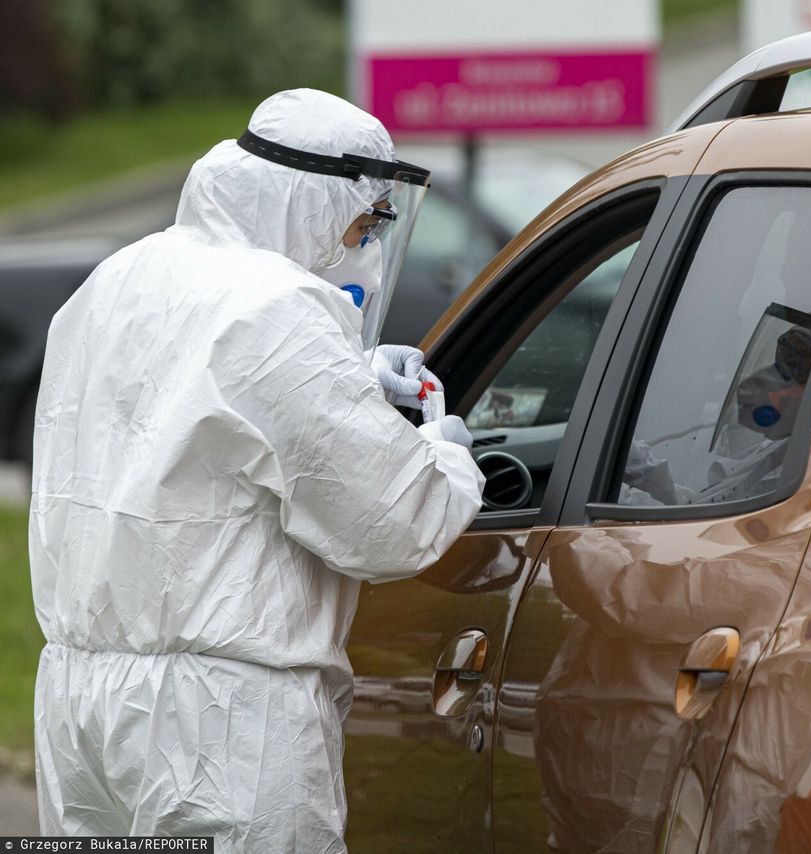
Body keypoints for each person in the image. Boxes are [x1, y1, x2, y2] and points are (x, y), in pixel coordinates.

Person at [28, 89, 484, 851]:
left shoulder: (117, 280)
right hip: (221, 726)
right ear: (304, 204)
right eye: (363, 222)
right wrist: (448, 455)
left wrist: (354, 374)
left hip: (80, 708)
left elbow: (182, 413)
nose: (364, 249)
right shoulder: (278, 309)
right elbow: (393, 523)